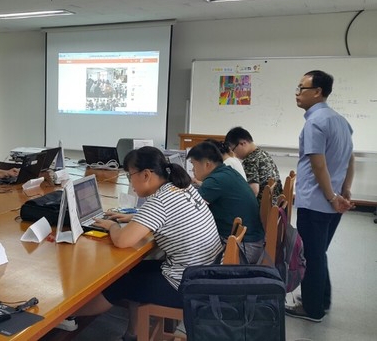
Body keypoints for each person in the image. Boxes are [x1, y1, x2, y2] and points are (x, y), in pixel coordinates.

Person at [68, 146, 222, 339]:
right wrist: (136, 219)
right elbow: (168, 218)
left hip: (186, 285)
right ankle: (132, 333)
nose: (130, 183)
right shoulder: (181, 187)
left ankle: (67, 316)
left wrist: (111, 226)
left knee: (119, 283)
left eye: (130, 175)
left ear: (146, 174)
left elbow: (123, 241)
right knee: (134, 270)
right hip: (205, 273)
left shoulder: (160, 201)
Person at [286, 70, 354, 322]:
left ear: (317, 92)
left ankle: (312, 309)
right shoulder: (339, 120)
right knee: (318, 253)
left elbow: (318, 164)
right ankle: (321, 300)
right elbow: (350, 157)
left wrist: (331, 197)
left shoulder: (315, 122)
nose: (297, 93)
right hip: (331, 201)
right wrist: (345, 190)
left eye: (301, 88)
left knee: (311, 257)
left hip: (317, 202)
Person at [187, 141, 265, 264]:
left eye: (193, 165)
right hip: (251, 242)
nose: (192, 170)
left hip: (245, 248)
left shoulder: (216, 180)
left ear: (207, 164)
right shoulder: (226, 172)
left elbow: (187, 211)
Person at [225, 126, 283, 203]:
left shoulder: (250, 161)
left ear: (243, 143)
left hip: (261, 207)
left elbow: (253, 192)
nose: (234, 154)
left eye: (233, 149)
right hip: (274, 204)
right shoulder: (264, 154)